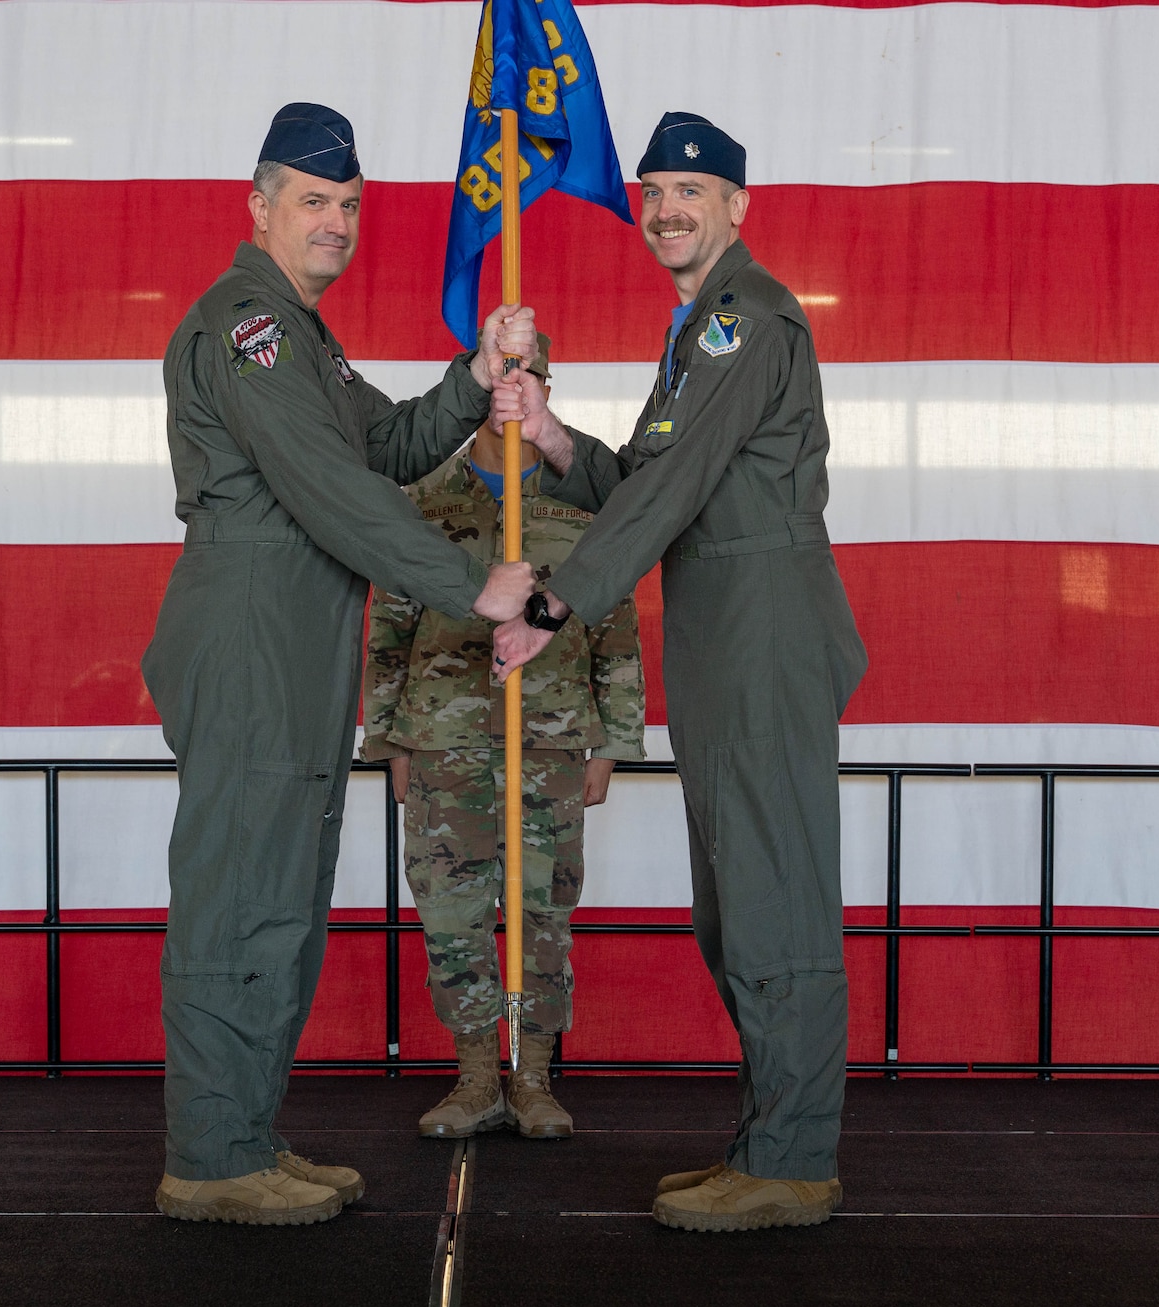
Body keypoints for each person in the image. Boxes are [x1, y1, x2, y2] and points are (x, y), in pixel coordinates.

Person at [140, 102, 538, 1225]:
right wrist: (474, 582)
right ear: (258, 207)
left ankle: (242, 1132)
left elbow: (396, 446)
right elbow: (331, 487)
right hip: (254, 626)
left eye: (351, 204)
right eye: (314, 201)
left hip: (300, 628)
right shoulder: (248, 327)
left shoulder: (302, 336)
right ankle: (210, 1157)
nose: (337, 221)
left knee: (281, 898)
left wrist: (473, 373)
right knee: (238, 897)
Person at [490, 113, 867, 1232]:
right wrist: (555, 437)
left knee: (774, 897)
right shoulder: (698, 325)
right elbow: (652, 475)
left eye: (689, 191)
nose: (665, 210)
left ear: (737, 207)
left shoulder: (744, 318)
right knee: (737, 901)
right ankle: (766, 1138)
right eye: (652, 191)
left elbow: (670, 488)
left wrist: (560, 600)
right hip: (723, 628)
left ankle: (794, 1160)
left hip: (761, 629)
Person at [360, 335, 646, 1141]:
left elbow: (616, 624)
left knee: (542, 912)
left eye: (528, 376)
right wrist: (391, 741)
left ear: (548, 388)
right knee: (452, 911)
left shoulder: (586, 496)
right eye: (499, 373)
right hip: (444, 738)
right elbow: (389, 623)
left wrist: (612, 740)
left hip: (552, 741)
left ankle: (534, 1078)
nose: (510, 390)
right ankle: (476, 1074)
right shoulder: (421, 496)